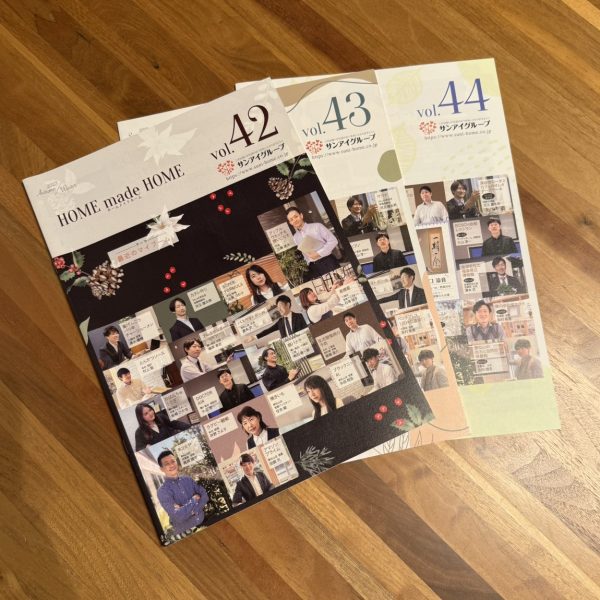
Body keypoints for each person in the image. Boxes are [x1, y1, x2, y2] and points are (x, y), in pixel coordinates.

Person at [156, 450, 209, 535]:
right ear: (161, 469)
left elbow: (204, 495)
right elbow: (178, 516)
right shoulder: (162, 491)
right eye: (167, 464)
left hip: (204, 522)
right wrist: (194, 500)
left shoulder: (187, 479)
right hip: (186, 532)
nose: (171, 465)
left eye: (173, 461)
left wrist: (191, 510)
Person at [286, 207, 340, 278]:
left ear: (301, 215)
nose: (294, 220)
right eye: (291, 219)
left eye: (296, 216)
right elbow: (304, 254)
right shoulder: (295, 237)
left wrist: (318, 253)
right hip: (313, 268)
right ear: (290, 223)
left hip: (327, 262)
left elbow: (333, 241)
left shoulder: (317, 226)